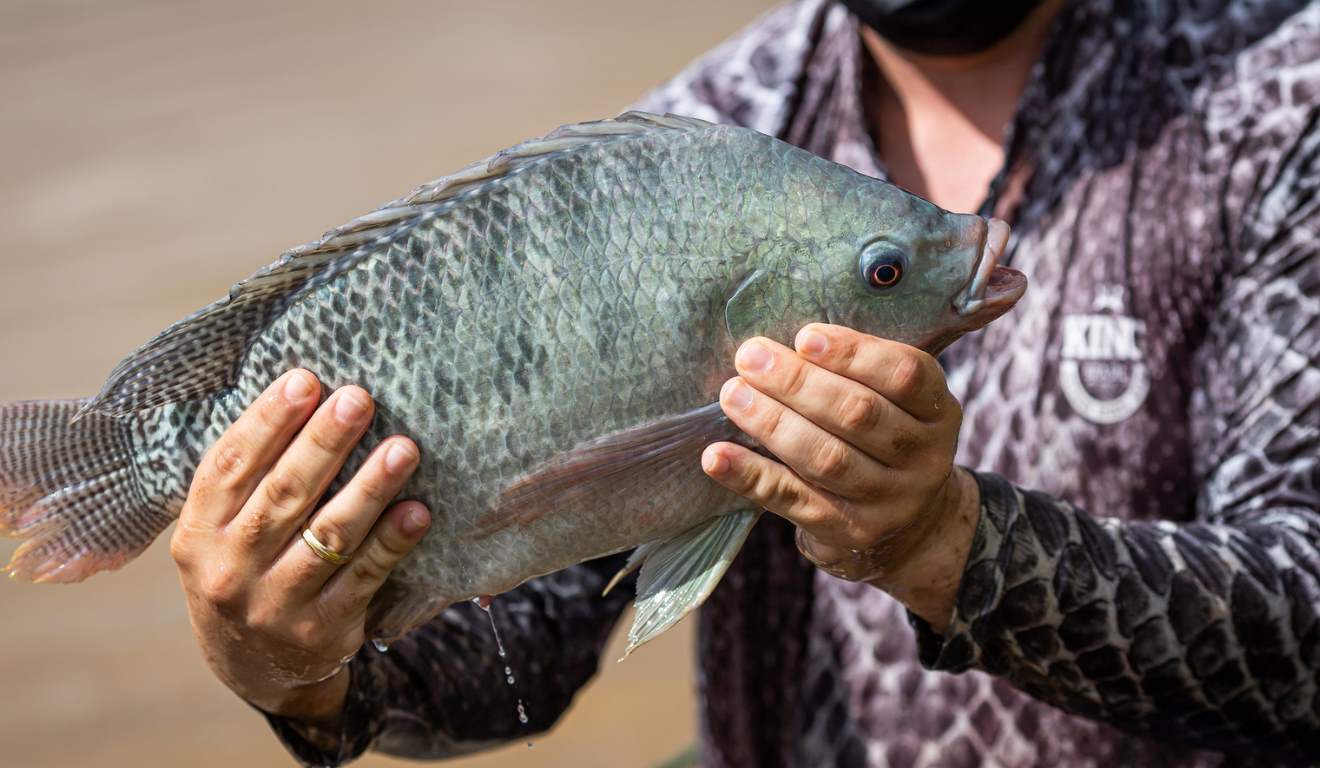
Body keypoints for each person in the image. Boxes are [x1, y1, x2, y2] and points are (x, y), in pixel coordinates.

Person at [165, 0, 1320, 765]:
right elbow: (527, 643)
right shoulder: (717, 126)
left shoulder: (1281, 95)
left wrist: (957, 549)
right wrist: (303, 670)